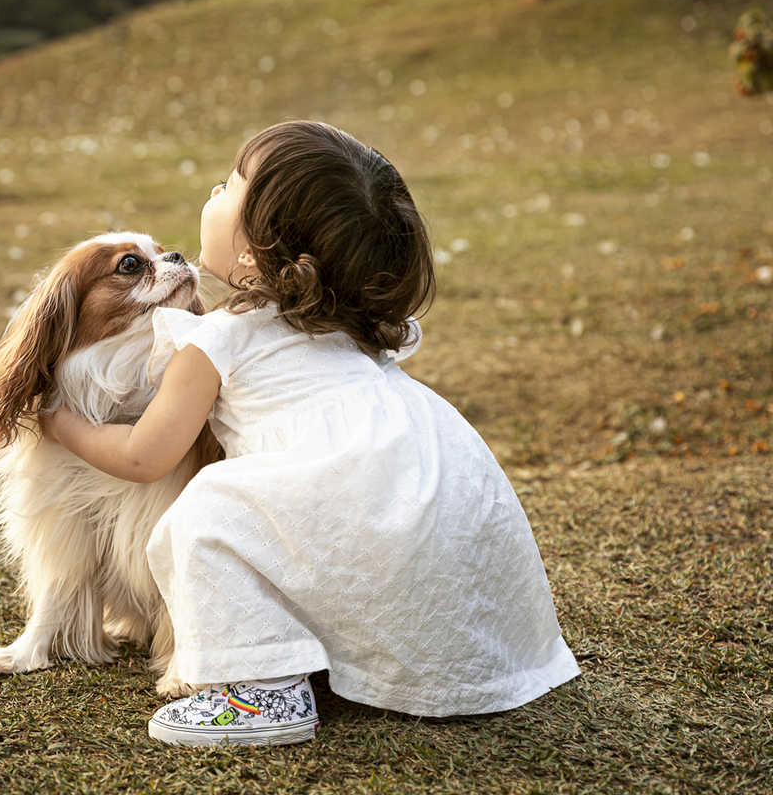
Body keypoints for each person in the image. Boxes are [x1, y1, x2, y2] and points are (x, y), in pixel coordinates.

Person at [44, 120, 580, 746]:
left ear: (254, 253)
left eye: (230, 185)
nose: (214, 190)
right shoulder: (349, 324)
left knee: (206, 512)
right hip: (429, 488)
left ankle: (263, 693)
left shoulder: (216, 340)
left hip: (343, 496)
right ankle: (452, 650)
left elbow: (144, 457)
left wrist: (60, 420)